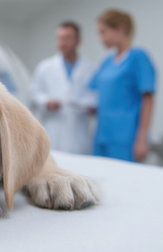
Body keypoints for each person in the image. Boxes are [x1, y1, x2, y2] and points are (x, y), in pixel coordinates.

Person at [90, 8, 156, 162]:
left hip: (126, 138)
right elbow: (96, 94)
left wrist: (142, 139)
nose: (101, 38)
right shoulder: (106, 62)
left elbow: (148, 100)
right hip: (102, 135)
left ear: (120, 28)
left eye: (103, 32)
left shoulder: (138, 57)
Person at [31, 21, 97, 154]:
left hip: (78, 134)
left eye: (67, 38)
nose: (62, 43)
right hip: (53, 130)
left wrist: (87, 104)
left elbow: (95, 96)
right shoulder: (45, 67)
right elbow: (34, 93)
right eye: (60, 38)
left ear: (79, 41)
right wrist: (46, 101)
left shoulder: (91, 69)